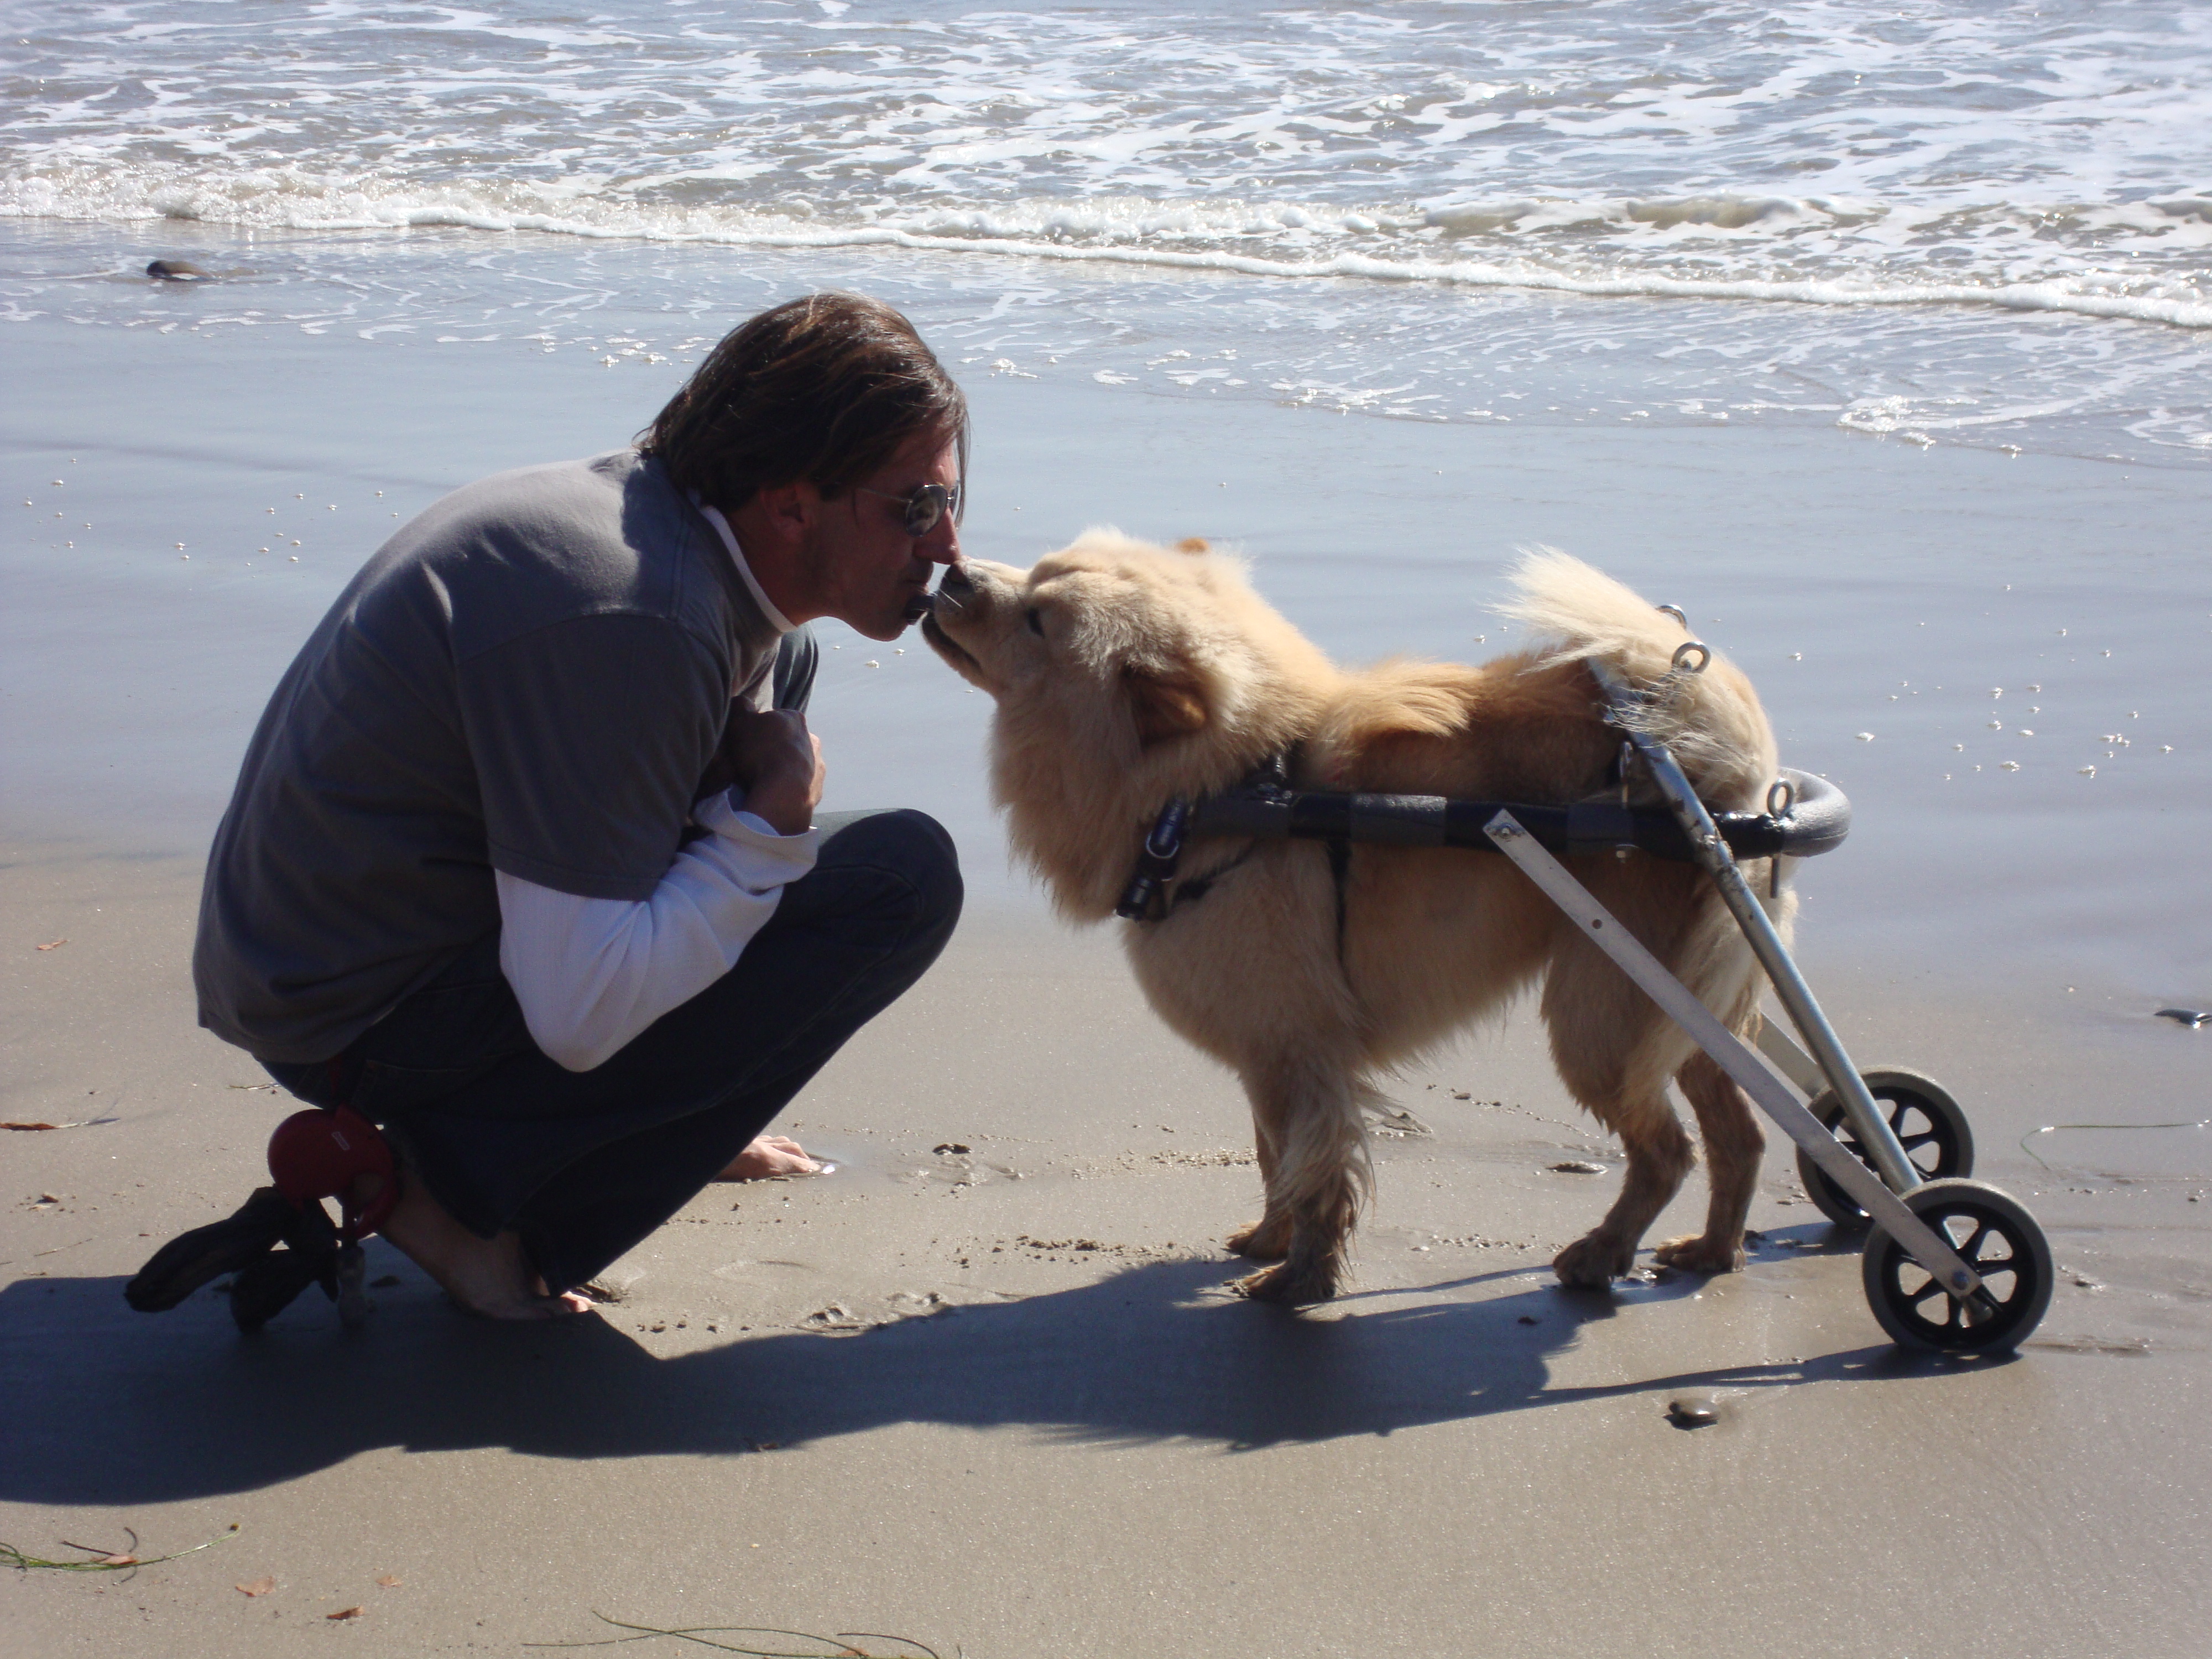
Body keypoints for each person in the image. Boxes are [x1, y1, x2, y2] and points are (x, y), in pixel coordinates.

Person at [175, 292, 967, 1322]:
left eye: (954, 499)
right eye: (914, 506)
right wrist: (766, 827)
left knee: (787, 667)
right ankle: (455, 1205)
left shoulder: (672, 536)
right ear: (790, 502)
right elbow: (580, 1014)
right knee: (899, 882)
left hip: (338, 953)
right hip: (351, 1009)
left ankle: (622, 1119)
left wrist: (701, 1092)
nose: (947, 543)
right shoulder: (641, 619)